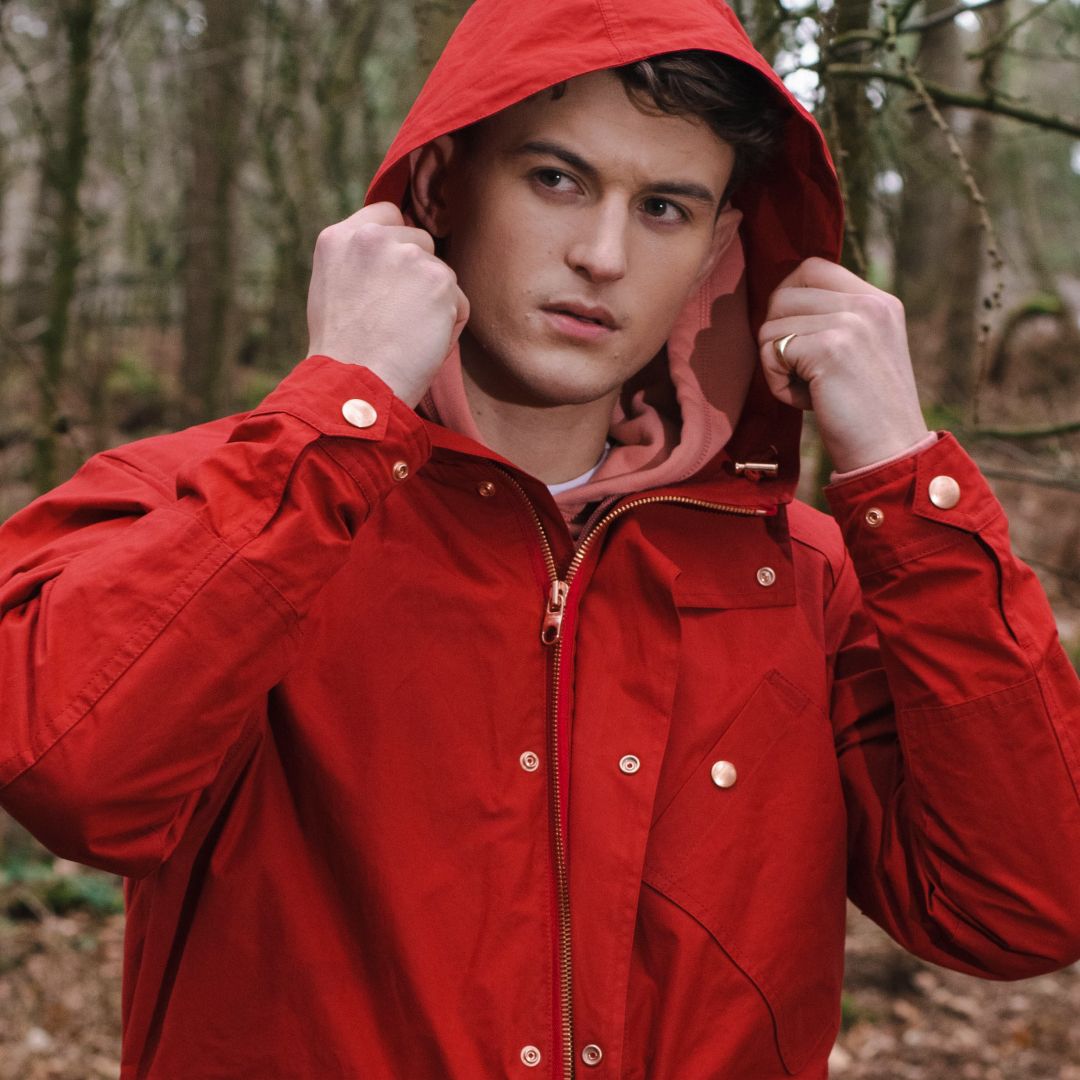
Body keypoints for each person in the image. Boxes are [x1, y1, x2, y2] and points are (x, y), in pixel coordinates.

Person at [1, 0, 1078, 1076]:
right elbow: (76, 779)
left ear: (719, 250)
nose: (602, 254)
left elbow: (1026, 904)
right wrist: (340, 417)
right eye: (555, 178)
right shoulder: (215, 505)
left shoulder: (802, 576)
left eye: (663, 206)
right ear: (440, 190)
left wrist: (903, 474)